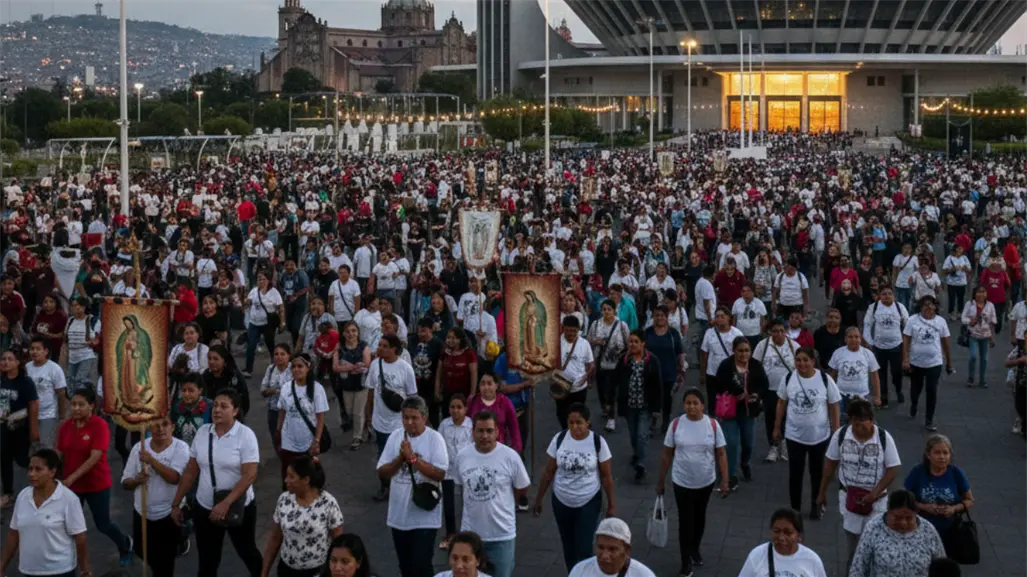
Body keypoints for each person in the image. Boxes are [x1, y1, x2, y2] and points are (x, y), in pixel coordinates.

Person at [170, 389, 264, 577]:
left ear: (235, 411)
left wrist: (226, 503)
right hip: (205, 507)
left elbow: (249, 475)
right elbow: (191, 470)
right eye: (215, 406)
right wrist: (176, 503)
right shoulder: (203, 433)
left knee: (247, 552)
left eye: (224, 406)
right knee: (207, 560)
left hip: (237, 507)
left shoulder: (245, 435)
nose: (217, 410)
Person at [816, 398, 901, 567]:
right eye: (855, 423)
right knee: (853, 544)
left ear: (871, 420)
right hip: (850, 500)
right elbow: (830, 464)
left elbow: (893, 468)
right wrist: (821, 492)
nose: (859, 428)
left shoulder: (883, 438)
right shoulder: (840, 435)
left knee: (872, 542)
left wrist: (875, 492)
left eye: (863, 423)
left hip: (876, 502)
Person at [533, 403, 616, 571]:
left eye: (579, 422)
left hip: (588, 500)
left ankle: (587, 573)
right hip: (561, 501)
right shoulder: (559, 439)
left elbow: (606, 477)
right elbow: (549, 471)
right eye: (571, 423)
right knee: (568, 545)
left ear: (588, 422)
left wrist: (611, 505)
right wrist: (539, 499)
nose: (575, 427)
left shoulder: (598, 442)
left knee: (584, 546)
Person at [656, 388, 729, 577]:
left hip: (705, 481)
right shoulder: (676, 425)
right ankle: (685, 560)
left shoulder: (712, 425)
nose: (691, 407)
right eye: (688, 403)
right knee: (685, 520)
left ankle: (695, 547)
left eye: (695, 403)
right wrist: (661, 480)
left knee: (699, 517)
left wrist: (725, 479)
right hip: (681, 481)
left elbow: (721, 453)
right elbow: (667, 454)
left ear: (703, 406)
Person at [56, 388, 133, 565]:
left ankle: (125, 544)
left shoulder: (100, 425)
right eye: (73, 404)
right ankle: (69, 560)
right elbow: (59, 453)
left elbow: (95, 456)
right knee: (68, 524)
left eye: (81, 405)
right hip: (71, 485)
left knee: (103, 524)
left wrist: (71, 478)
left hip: (96, 484)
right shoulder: (66, 427)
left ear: (91, 406)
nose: (75, 408)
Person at [377, 395, 448, 577]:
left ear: (424, 417)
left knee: (421, 566)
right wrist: (400, 458)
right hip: (398, 517)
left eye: (414, 418)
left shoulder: (435, 439)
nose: (409, 422)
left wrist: (413, 459)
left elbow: (440, 474)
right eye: (405, 418)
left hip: (425, 516)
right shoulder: (395, 437)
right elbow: (382, 472)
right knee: (405, 567)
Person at [455, 411, 531, 577]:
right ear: (472, 432)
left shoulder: (510, 457)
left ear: (497, 432)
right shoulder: (462, 457)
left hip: (501, 535)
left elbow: (522, 487)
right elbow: (461, 487)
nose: (484, 436)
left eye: (489, 431)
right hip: (471, 535)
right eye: (480, 431)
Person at [772, 346, 841, 519]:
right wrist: (776, 426)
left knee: (817, 473)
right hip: (794, 436)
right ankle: (794, 508)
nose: (801, 364)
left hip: (820, 436)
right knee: (795, 474)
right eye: (798, 360)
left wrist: (837, 430)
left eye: (805, 360)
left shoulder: (824, 379)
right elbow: (781, 402)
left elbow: (834, 405)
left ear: (813, 361)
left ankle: (816, 505)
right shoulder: (788, 378)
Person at [0, 449, 92, 577]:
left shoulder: (68, 499)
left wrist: (84, 570)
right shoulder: (23, 496)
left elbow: (80, 538)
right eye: (30, 469)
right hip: (29, 571)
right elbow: (13, 534)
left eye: (38, 469)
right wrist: (1, 567)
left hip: (60, 571)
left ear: (52, 472)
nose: (31, 474)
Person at [121, 415, 191, 577]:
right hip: (142, 512)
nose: (160, 429)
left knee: (165, 562)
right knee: (141, 550)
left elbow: (174, 478)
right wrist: (136, 480)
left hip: (168, 514)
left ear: (172, 427)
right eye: (156, 425)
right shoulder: (139, 447)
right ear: (149, 428)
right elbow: (125, 482)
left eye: (165, 424)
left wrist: (151, 461)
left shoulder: (181, 448)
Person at [260, 456, 344, 577]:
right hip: (287, 570)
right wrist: (264, 572)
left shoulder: (328, 503)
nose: (286, 480)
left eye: (291, 477)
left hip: (317, 572)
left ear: (306, 480)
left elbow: (338, 543)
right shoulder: (284, 500)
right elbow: (275, 538)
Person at [903, 435, 975, 556]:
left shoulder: (956, 473)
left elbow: (970, 500)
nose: (942, 457)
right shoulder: (918, 472)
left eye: (945, 453)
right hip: (921, 529)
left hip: (951, 531)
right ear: (928, 455)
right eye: (937, 453)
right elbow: (904, 499)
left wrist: (953, 509)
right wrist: (924, 507)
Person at [849, 490, 946, 577]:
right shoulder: (874, 528)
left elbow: (943, 567)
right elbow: (858, 568)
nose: (903, 523)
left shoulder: (928, 531)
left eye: (909, 518)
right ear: (888, 511)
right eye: (897, 517)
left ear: (915, 514)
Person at [715, 336, 769, 490]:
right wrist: (731, 393)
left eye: (746, 351)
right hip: (730, 411)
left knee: (748, 443)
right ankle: (730, 475)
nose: (743, 354)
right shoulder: (726, 365)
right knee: (731, 443)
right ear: (734, 351)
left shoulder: (755, 365)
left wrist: (756, 395)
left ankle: (745, 463)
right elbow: (718, 385)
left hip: (749, 411)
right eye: (740, 351)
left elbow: (764, 384)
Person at [615, 330, 662, 480]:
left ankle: (640, 462)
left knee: (642, 434)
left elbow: (657, 385)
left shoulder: (651, 360)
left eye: (636, 341)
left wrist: (657, 408)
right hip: (629, 404)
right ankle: (637, 453)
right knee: (633, 434)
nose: (632, 344)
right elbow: (615, 381)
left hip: (645, 405)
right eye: (630, 341)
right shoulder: (624, 360)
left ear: (643, 344)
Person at [902, 295, 953, 432]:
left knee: (931, 390)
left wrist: (949, 362)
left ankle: (929, 419)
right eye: (925, 305)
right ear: (920, 307)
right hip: (916, 362)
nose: (928, 307)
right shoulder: (912, 320)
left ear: (935, 307)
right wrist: (905, 358)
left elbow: (946, 343)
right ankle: (914, 405)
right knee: (915, 389)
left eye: (931, 305)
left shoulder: (941, 322)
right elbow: (906, 339)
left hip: (934, 362)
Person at [276, 353, 330, 481]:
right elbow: (282, 412)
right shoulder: (286, 388)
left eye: (300, 366)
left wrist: (316, 441)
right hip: (288, 441)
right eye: (293, 366)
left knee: (306, 479)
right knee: (288, 478)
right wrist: (278, 432)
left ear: (308, 368)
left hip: (307, 443)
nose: (296, 369)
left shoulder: (317, 389)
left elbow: (320, 418)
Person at [753, 320, 798, 463]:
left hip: (788, 389)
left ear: (786, 331)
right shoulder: (763, 345)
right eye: (775, 331)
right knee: (770, 418)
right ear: (770, 332)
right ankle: (773, 446)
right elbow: (755, 366)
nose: (778, 334)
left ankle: (784, 443)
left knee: (787, 417)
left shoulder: (794, 346)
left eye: (781, 331)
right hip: (770, 389)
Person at [736, 509, 827, 577]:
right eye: (776, 531)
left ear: (799, 536)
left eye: (788, 532)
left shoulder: (812, 560)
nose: (781, 537)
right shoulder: (757, 556)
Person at [0, 349, 38, 506]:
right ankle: (7, 494)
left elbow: (33, 405)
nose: (5, 362)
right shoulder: (1, 380)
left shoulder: (25, 382)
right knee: (4, 460)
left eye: (10, 359)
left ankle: (39, 486)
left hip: (21, 429)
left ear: (17, 362)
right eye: (3, 359)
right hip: (3, 428)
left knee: (23, 460)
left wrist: (34, 430)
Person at [863, 286, 909, 409]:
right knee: (880, 374)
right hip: (879, 347)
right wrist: (869, 342)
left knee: (897, 372)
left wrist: (907, 344)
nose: (887, 296)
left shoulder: (900, 307)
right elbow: (867, 325)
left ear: (894, 295)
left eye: (889, 293)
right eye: (884, 294)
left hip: (896, 346)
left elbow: (908, 326)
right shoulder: (874, 308)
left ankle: (898, 389)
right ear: (879, 295)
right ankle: (884, 397)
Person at [587, 299, 629, 433]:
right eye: (604, 309)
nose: (606, 312)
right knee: (601, 390)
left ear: (614, 310)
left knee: (611, 391)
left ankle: (611, 417)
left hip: (616, 364)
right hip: (600, 362)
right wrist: (597, 341)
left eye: (609, 309)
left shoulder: (621, 325)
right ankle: (605, 407)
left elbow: (628, 343)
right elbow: (589, 340)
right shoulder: (596, 324)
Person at [567, 517, 658, 577]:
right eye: (600, 547)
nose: (605, 556)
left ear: (627, 550)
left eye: (612, 549)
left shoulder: (643, 574)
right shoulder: (580, 571)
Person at [438, 394, 473, 549]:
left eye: (459, 407)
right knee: (448, 503)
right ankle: (451, 533)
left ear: (465, 409)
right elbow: (439, 444)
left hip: (466, 470)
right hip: (448, 470)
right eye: (452, 407)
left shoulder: (470, 425)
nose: (456, 411)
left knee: (467, 501)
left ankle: (468, 533)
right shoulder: (444, 425)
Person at [700, 306, 745, 416]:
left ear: (729, 318)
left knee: (730, 399)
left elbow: (743, 354)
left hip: (730, 373)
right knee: (712, 400)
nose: (719, 319)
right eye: (717, 317)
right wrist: (702, 373)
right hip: (712, 373)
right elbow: (704, 354)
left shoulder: (737, 333)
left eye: (722, 316)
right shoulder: (709, 333)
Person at [646, 305, 685, 431]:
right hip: (651, 372)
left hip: (669, 371)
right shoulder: (648, 333)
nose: (659, 318)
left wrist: (681, 369)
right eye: (657, 315)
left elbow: (680, 352)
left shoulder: (673, 334)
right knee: (652, 396)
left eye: (662, 315)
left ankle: (666, 420)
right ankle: (652, 419)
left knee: (667, 397)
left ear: (667, 317)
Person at [333, 321, 371, 449]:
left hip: (361, 384)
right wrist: (351, 367)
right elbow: (335, 367)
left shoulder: (363, 346)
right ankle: (366, 425)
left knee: (357, 412)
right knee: (349, 411)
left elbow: (366, 364)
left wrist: (348, 367)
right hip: (346, 384)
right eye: (348, 331)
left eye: (354, 331)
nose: (351, 334)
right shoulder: (339, 347)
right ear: (343, 333)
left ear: (358, 332)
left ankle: (357, 437)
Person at [828, 327, 883, 413]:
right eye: (850, 337)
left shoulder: (868, 354)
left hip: (863, 397)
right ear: (845, 339)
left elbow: (875, 377)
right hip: (841, 396)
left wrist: (878, 397)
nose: (854, 339)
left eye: (856, 337)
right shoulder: (838, 353)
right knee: (842, 422)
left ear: (860, 339)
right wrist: (830, 395)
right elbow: (832, 376)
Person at [555, 315, 595, 427]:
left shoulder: (584, 344)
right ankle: (567, 434)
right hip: (561, 388)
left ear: (578, 330)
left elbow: (591, 364)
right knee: (562, 414)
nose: (571, 334)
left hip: (579, 388)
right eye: (568, 330)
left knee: (579, 415)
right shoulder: (556, 343)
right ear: (563, 328)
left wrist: (586, 377)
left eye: (574, 331)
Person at [244, 270, 285, 377]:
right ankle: (248, 369)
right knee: (251, 346)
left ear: (268, 280)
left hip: (267, 324)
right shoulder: (253, 291)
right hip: (254, 323)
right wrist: (245, 301)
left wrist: (282, 322)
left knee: (271, 346)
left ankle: (275, 367)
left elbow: (280, 308)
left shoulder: (274, 293)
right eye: (258, 279)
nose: (261, 281)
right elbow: (247, 303)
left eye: (263, 279)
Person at [467, 373, 522, 452]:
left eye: (489, 384)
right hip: (475, 448)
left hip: (499, 449)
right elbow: (464, 425)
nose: (486, 387)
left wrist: (516, 449)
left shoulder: (505, 402)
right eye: (483, 384)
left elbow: (514, 428)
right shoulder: (473, 401)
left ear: (496, 386)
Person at [961, 285, 997, 388]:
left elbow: (993, 322)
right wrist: (970, 321)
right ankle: (971, 378)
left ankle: (982, 379)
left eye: (983, 292)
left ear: (986, 294)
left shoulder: (990, 305)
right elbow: (963, 318)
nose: (981, 294)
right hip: (973, 334)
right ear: (974, 294)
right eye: (979, 292)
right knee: (973, 357)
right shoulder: (970, 304)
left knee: (984, 359)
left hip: (985, 336)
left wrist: (992, 337)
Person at [202, 344, 251, 417]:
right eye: (209, 358)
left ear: (224, 361)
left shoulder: (234, 377)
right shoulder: (205, 376)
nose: (211, 362)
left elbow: (244, 402)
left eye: (216, 359)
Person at [435, 327, 479, 409]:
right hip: (447, 393)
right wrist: (437, 390)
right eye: (448, 338)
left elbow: (474, 374)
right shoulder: (444, 352)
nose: (450, 340)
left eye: (453, 338)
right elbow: (439, 373)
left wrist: (472, 394)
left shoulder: (469, 354)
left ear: (460, 339)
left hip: (464, 394)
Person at [261, 343, 293, 448]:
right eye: (276, 354)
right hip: (274, 411)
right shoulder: (270, 369)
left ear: (289, 355)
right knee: (277, 440)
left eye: (282, 354)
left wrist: (276, 391)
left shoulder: (294, 369)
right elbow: (263, 390)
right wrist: (273, 391)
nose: (279, 357)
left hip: (290, 412)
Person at [942, 244, 971, 320]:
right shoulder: (949, 258)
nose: (961, 250)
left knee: (961, 298)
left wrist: (965, 268)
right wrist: (952, 269)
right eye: (959, 248)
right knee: (951, 298)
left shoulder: (964, 258)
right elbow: (944, 270)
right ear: (956, 249)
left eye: (961, 249)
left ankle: (960, 312)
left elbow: (969, 269)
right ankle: (951, 313)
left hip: (962, 282)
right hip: (951, 282)